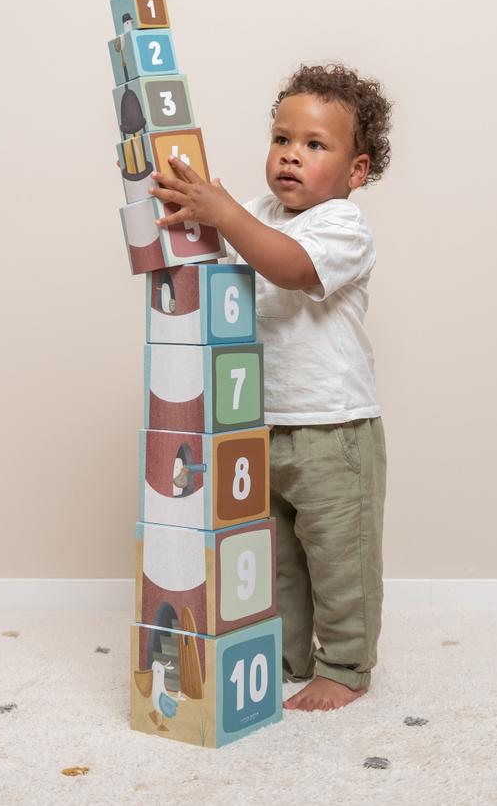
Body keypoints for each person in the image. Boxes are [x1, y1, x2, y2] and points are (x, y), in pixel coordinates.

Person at [150, 63, 391, 711]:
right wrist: (188, 205)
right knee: (274, 555)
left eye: (315, 145)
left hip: (332, 429)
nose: (291, 154)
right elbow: (219, 265)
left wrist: (223, 212)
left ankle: (345, 665)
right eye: (282, 138)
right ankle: (285, 653)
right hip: (257, 422)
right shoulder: (256, 214)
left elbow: (289, 267)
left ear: (356, 170)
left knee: (340, 557)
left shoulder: (342, 225)